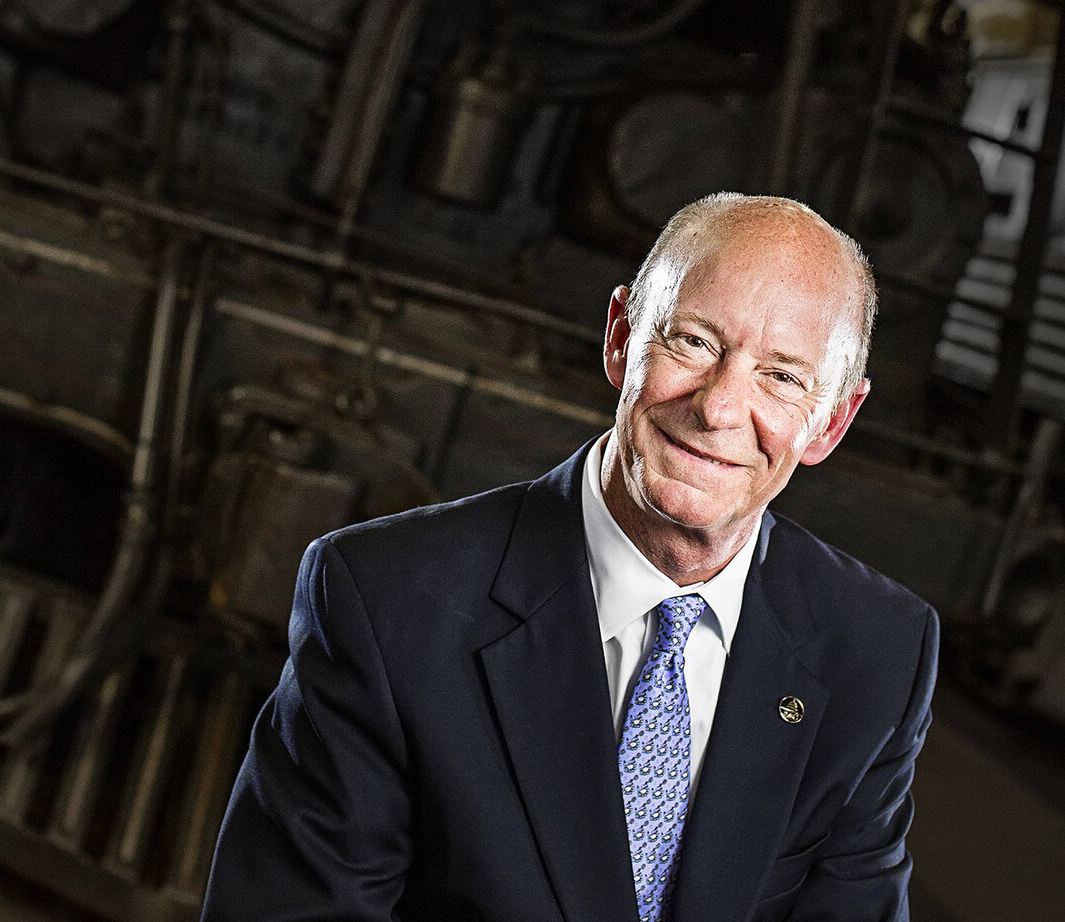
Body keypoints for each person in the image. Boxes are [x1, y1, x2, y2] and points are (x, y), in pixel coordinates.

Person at [201, 193, 938, 922]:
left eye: (782, 377)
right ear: (620, 336)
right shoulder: (386, 603)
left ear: (831, 424)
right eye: (692, 342)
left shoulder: (880, 650)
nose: (717, 409)